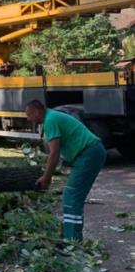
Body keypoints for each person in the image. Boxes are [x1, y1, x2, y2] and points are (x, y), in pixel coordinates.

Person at [25, 100, 106, 241]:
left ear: (36, 111)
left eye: (29, 115)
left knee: (71, 195)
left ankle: (73, 240)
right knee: (72, 195)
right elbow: (53, 148)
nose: (28, 119)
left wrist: (46, 178)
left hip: (89, 154)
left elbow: (54, 153)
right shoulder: (51, 117)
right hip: (88, 153)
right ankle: (70, 235)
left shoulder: (50, 120)